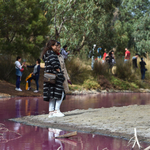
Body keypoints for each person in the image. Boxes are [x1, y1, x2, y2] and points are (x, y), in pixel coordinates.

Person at [42, 40, 65, 118]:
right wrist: (59, 72)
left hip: (49, 77)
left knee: (51, 94)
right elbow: (55, 64)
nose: (57, 47)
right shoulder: (52, 54)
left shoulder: (46, 54)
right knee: (60, 92)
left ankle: (51, 112)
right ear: (52, 46)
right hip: (55, 76)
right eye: (55, 45)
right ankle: (56, 110)